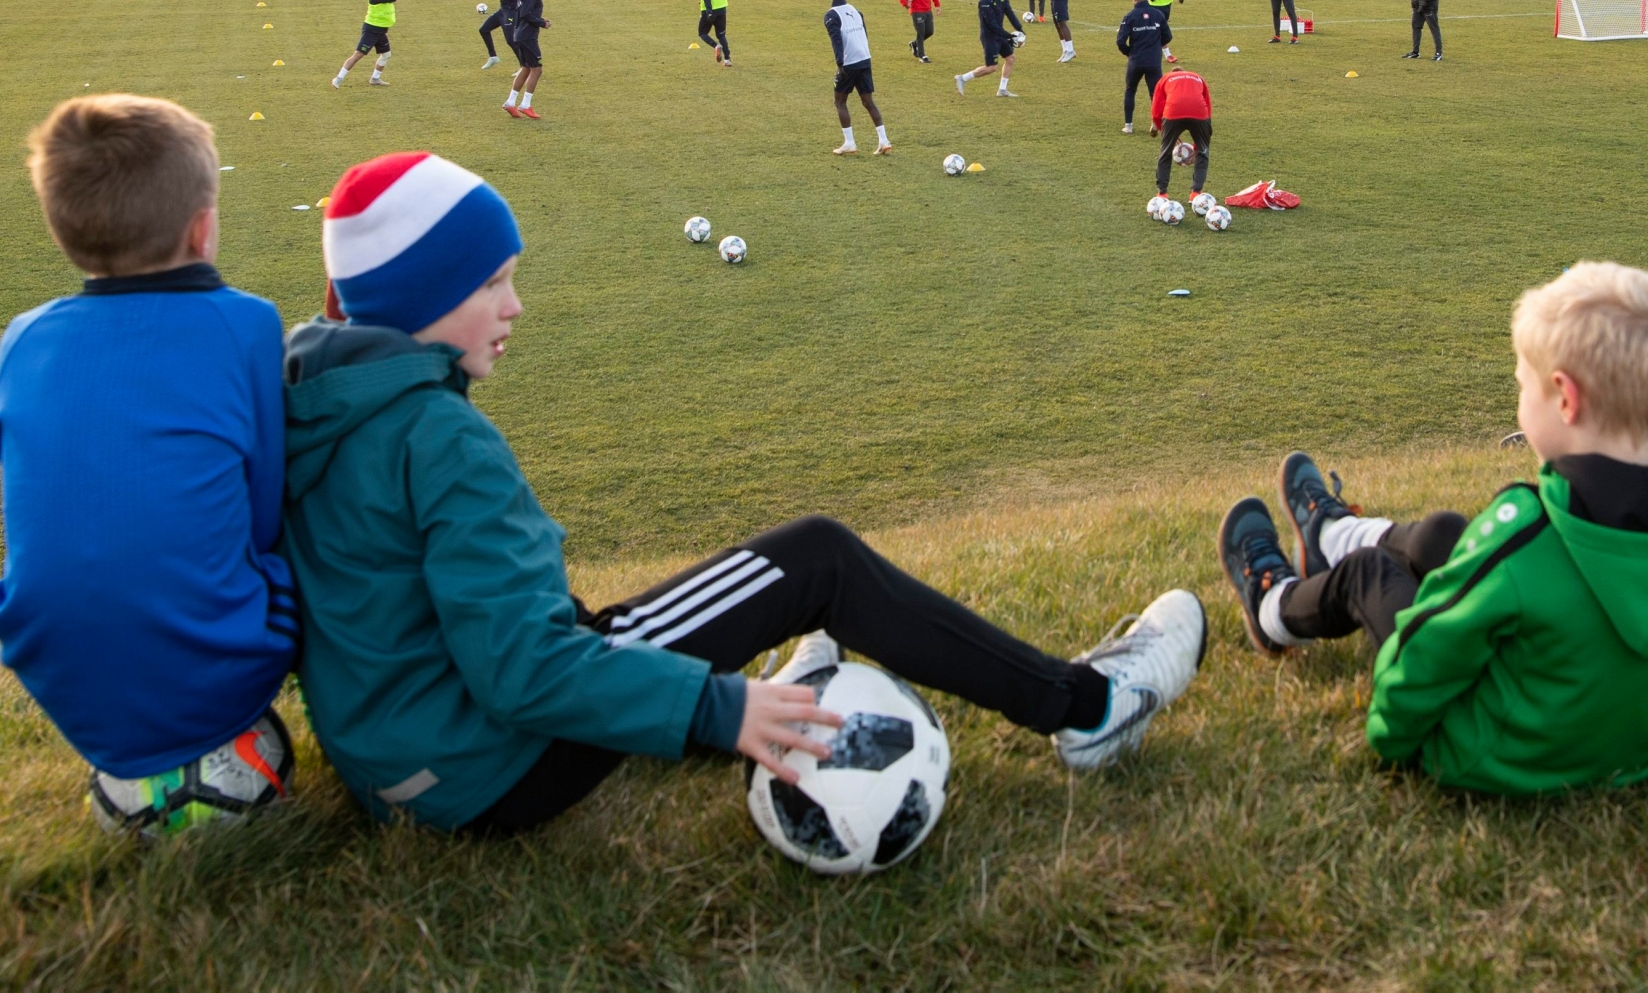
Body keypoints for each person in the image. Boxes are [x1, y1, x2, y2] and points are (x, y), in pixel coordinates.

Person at [281, 149, 1209, 833]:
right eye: (492, 284)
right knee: (816, 560)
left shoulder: (312, 396)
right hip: (489, 767)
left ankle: (781, 681)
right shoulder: (441, 438)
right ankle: (1087, 709)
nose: (515, 306)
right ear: (419, 300)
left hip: (392, 763)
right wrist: (725, 711)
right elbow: (524, 672)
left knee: (639, 620)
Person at [1216, 262, 1648, 795]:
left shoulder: (1524, 532)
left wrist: (1392, 737)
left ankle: (1273, 610)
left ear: (1565, 397)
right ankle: (1327, 536)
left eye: (1525, 386)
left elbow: (1427, 656)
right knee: (1444, 535)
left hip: (1495, 757)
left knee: (1368, 574)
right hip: (1636, 751)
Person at [0, 95, 297, 833]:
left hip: (47, 658)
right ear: (202, 225)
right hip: (227, 663)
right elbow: (264, 509)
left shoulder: (22, 337)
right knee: (315, 548)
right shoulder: (244, 323)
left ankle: (139, 746)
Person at [824, 0, 890, 156]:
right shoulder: (856, 11)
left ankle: (849, 143)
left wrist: (840, 63)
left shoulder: (831, 16)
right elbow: (864, 34)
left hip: (849, 62)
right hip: (865, 58)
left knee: (840, 102)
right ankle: (883, 140)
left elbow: (836, 40)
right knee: (868, 101)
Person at [953, 0, 1026, 98]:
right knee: (991, 68)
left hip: (1000, 34)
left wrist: (1019, 28)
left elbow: (1008, 11)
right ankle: (963, 78)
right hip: (990, 37)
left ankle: (1002, 90)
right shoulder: (985, 1)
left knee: (1011, 58)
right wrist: (1008, 36)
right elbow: (992, 25)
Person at [1149, 66, 1212, 204]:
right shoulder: (1198, 77)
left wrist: (1161, 129)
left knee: (1165, 152)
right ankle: (1196, 193)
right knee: (1203, 152)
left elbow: (1156, 110)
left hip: (1173, 112)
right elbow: (1207, 106)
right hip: (1200, 113)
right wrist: (1198, 146)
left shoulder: (1165, 78)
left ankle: (1162, 194)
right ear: (1184, 72)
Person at [1115, 0, 1171, 135]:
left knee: (1130, 90)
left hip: (1136, 61)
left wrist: (1129, 53)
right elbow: (1168, 36)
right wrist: (1156, 48)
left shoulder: (1130, 16)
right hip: (1153, 62)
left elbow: (1120, 41)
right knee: (1155, 93)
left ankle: (1128, 125)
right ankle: (1155, 122)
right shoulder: (1158, 14)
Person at [332, 0, 399, 89]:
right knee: (358, 55)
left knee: (386, 55)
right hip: (371, 30)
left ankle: (375, 78)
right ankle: (338, 79)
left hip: (381, 31)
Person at [503, 0, 550, 119]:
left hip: (520, 35)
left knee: (526, 68)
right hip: (527, 36)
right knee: (537, 70)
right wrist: (542, 23)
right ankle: (525, 105)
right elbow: (525, 14)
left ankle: (510, 102)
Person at [475, 0, 521, 69]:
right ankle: (493, 57)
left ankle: (524, 66)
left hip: (511, 11)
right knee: (484, 30)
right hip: (503, 10)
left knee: (511, 40)